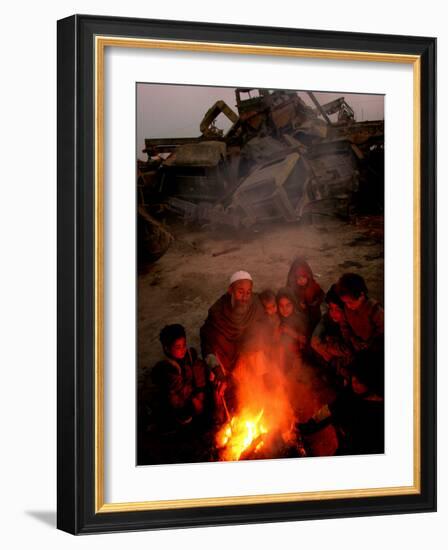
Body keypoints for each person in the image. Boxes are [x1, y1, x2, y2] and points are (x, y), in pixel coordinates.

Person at [311, 284, 353, 386]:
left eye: (338, 309)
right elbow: (315, 337)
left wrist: (328, 349)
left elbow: (350, 350)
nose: (333, 313)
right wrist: (319, 344)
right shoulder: (329, 318)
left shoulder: (353, 324)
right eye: (331, 308)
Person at [335, 273, 384, 354]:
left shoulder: (374, 310)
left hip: (374, 348)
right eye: (345, 303)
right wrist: (352, 339)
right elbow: (344, 326)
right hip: (356, 345)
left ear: (361, 295)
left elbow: (383, 330)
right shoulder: (347, 308)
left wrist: (370, 343)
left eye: (350, 302)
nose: (348, 306)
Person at [286, 257, 324, 333]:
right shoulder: (293, 289)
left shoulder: (313, 286)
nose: (301, 280)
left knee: (313, 329)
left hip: (313, 315)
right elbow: (289, 299)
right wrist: (297, 303)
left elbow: (321, 295)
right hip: (299, 317)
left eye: (303, 277)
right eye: (298, 278)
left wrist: (314, 303)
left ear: (308, 275)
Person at [276, 287, 308, 372]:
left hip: (298, 354)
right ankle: (281, 375)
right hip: (282, 355)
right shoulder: (277, 318)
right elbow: (274, 340)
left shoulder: (299, 319)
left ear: (293, 304)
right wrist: (277, 333)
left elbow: (305, 341)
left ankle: (295, 375)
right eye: (281, 306)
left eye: (288, 305)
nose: (284, 309)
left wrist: (291, 332)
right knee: (280, 348)